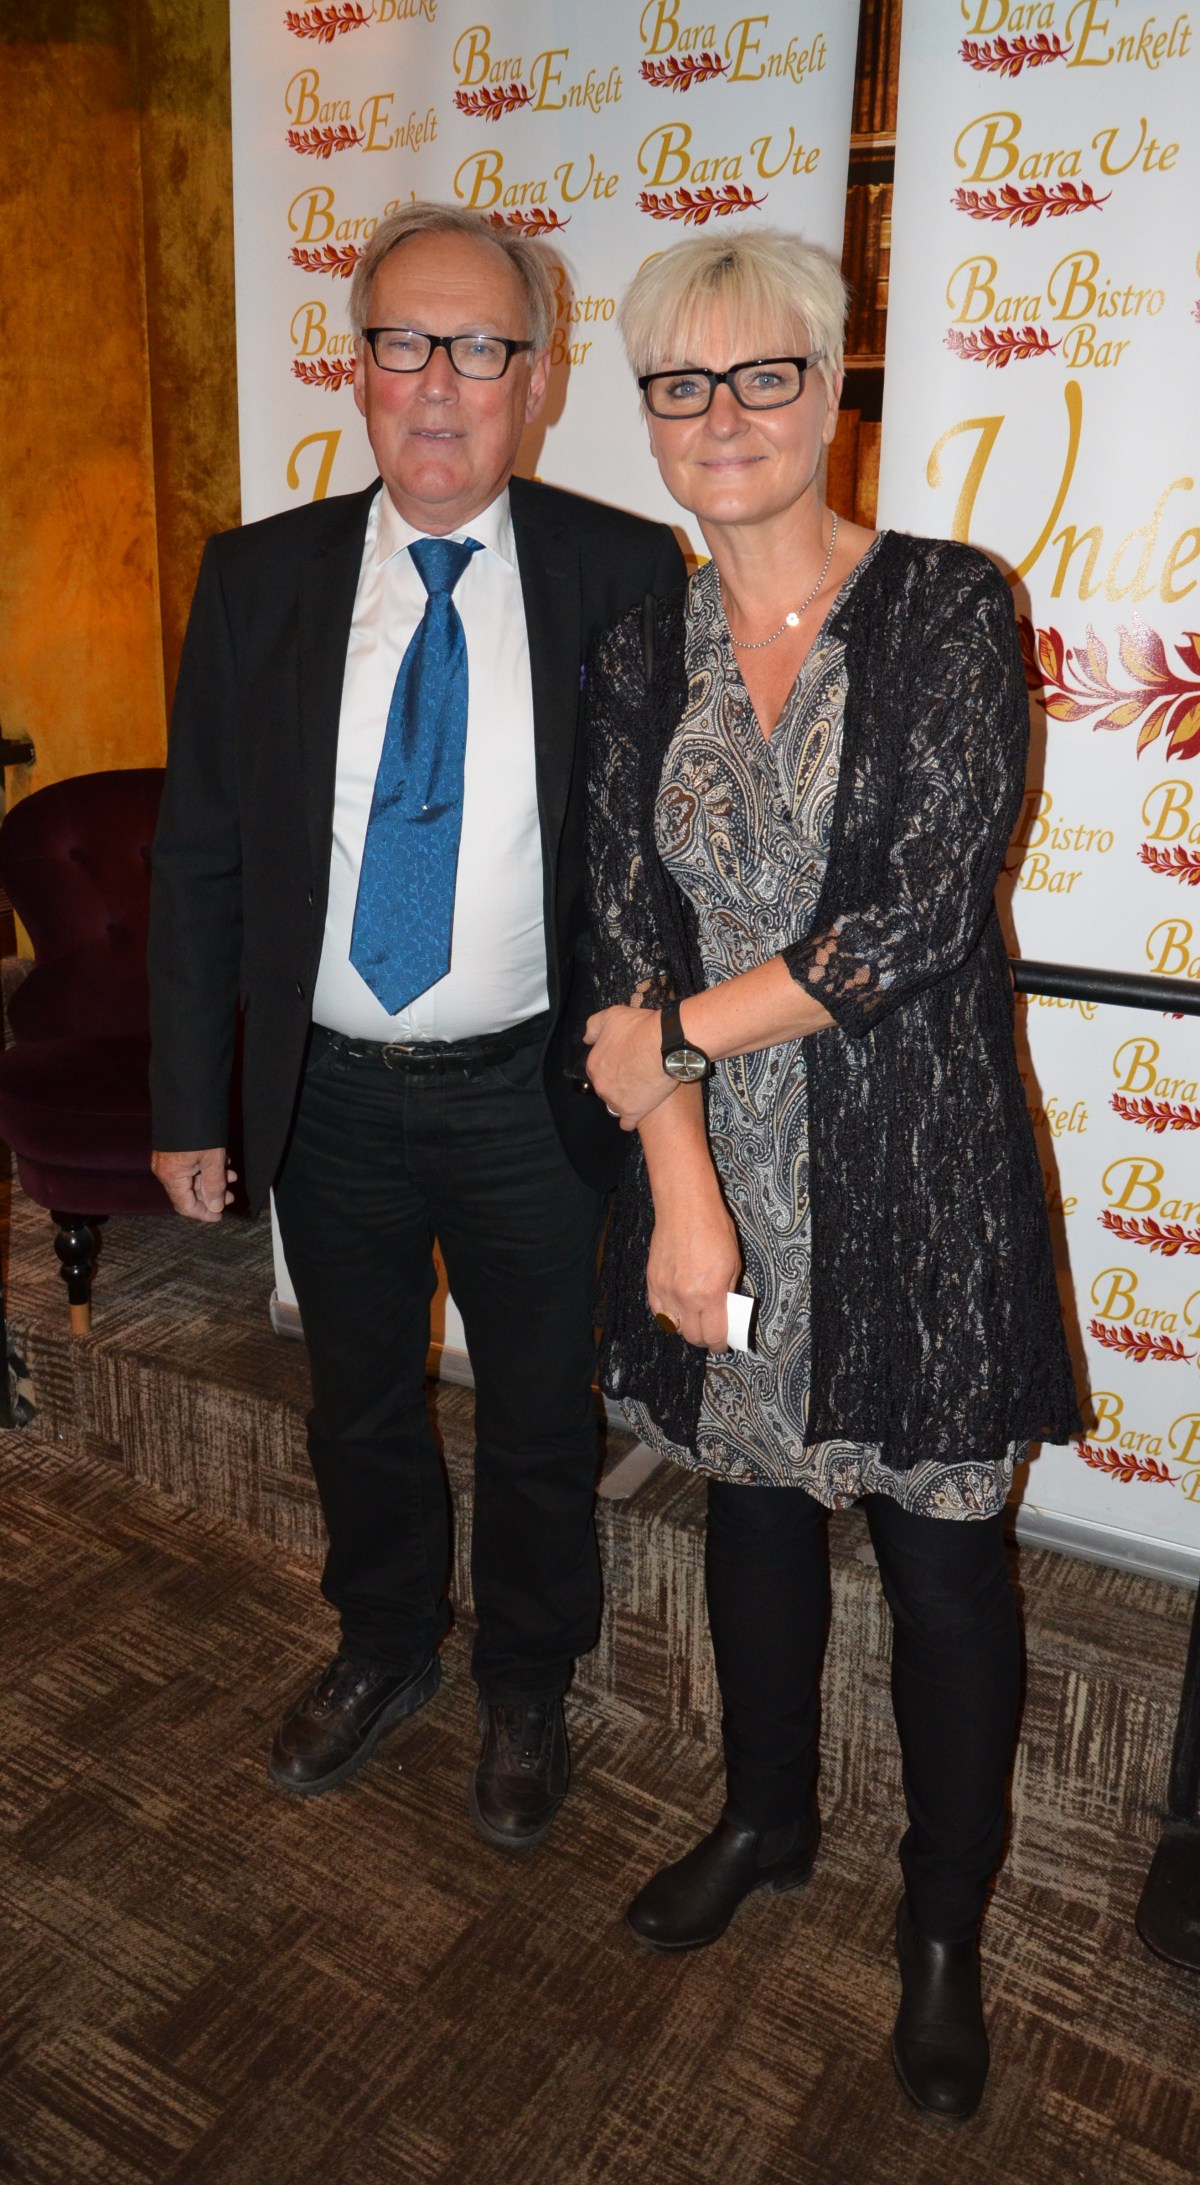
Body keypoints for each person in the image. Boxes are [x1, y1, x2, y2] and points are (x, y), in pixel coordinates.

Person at [581, 228, 1080, 2119]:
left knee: (946, 1567)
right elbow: (623, 929)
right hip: (717, 1173)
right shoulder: (639, 642)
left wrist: (676, 1044)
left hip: (916, 1178)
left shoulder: (948, 605)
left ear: (832, 385)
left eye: (764, 373)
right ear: (649, 414)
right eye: (682, 384)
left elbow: (919, 918)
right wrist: (682, 1179)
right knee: (752, 1516)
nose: (724, 417)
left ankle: (942, 1927)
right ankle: (766, 1817)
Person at [149, 203, 684, 1851]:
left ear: (537, 380)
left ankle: (527, 1677)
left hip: (532, 1094)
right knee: (359, 1400)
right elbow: (200, 855)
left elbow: (659, 862)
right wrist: (188, 1101)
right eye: (404, 342)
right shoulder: (259, 578)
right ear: (357, 367)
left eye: (479, 347)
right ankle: (384, 1641)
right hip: (330, 1095)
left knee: (538, 1414)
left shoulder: (620, 573)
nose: (439, 383)